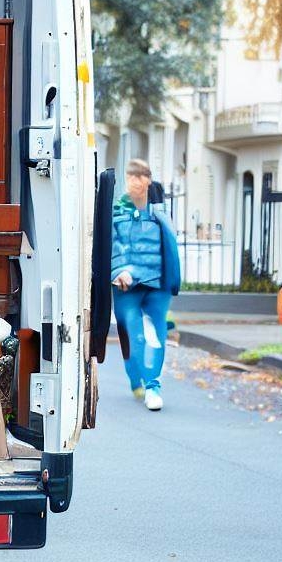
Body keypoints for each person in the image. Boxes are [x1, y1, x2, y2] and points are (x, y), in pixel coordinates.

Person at [111, 158, 181, 410]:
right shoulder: (117, 210)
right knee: (133, 337)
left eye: (140, 176)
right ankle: (135, 378)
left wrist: (172, 281)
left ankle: (153, 386)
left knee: (157, 337)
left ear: (148, 180)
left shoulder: (159, 212)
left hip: (157, 284)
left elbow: (169, 245)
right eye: (131, 176)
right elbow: (110, 244)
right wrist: (119, 271)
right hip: (125, 287)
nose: (136, 181)